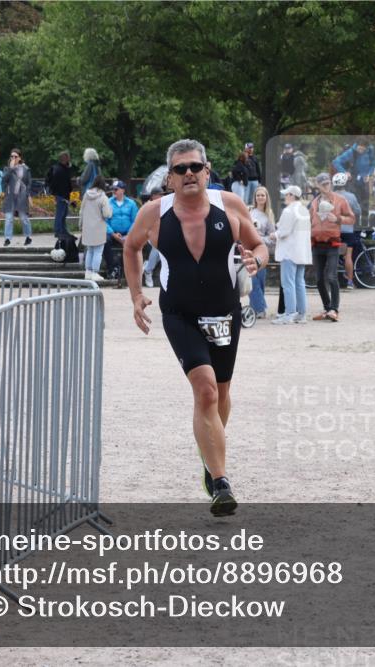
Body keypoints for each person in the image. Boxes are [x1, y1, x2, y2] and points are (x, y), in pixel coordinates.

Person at [123, 139, 268, 516]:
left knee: (220, 393)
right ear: (169, 178)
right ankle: (221, 482)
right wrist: (136, 294)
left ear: (207, 170)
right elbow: (131, 247)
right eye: (179, 169)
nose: (188, 174)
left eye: (194, 167)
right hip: (180, 313)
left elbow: (258, 243)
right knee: (204, 391)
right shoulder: (154, 213)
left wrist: (257, 260)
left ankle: (209, 457)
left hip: (224, 313)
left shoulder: (230, 206)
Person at [308, 172, 354, 322]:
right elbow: (309, 221)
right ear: (318, 186)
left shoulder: (340, 200)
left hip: (332, 243)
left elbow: (352, 218)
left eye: (328, 183)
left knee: (332, 277)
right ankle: (327, 308)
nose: (326, 186)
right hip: (316, 243)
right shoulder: (314, 202)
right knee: (319, 279)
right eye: (323, 184)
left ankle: (334, 309)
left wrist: (338, 219)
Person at [273, 185, 311, 324]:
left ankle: (289, 314)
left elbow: (283, 231)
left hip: (289, 251)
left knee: (288, 283)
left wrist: (273, 235)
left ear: (291, 195)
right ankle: (301, 314)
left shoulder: (289, 210)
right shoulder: (304, 210)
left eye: (286, 194)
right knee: (299, 283)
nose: (284, 197)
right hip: (301, 251)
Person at [332, 172, 364, 287]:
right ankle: (350, 282)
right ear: (345, 183)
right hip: (348, 230)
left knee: (331, 255)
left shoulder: (330, 196)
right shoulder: (351, 196)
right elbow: (358, 211)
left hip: (333, 230)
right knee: (348, 256)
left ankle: (331, 281)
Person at [248, 186, 276, 317]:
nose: (260, 197)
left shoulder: (269, 215)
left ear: (266, 198)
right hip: (248, 249)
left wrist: (261, 239)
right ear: (255, 197)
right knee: (251, 280)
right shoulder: (249, 212)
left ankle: (256, 309)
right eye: (258, 195)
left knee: (260, 281)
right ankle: (260, 308)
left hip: (262, 251)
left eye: (262, 195)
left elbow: (272, 238)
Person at [332, 140, 375, 223]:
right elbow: (336, 162)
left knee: (365, 205)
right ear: (357, 145)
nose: (361, 151)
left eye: (363, 150)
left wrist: (369, 174)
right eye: (360, 149)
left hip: (364, 181)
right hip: (353, 182)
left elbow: (373, 164)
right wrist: (344, 172)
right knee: (355, 206)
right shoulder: (350, 152)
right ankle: (354, 227)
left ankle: (364, 228)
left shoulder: (370, 151)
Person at [79, 176, 112, 281]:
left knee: (90, 250)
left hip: (87, 227)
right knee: (98, 251)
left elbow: (81, 211)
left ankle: (87, 272)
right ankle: (95, 272)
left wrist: (81, 225)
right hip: (98, 227)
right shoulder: (103, 197)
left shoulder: (86, 195)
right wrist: (110, 211)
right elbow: (107, 214)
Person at [104, 180, 138, 286]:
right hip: (112, 233)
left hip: (128, 233)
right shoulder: (108, 202)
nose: (113, 191)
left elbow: (135, 220)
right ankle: (112, 268)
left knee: (137, 241)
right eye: (113, 189)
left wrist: (129, 235)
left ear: (122, 190)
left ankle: (134, 272)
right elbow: (105, 221)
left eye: (116, 189)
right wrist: (113, 234)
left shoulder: (131, 203)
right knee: (105, 241)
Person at [2, 148, 32, 246]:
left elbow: (29, 183)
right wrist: (11, 169)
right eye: (12, 156)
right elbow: (4, 180)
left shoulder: (25, 169)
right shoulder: (7, 169)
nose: (13, 158)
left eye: (15, 156)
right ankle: (7, 239)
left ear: (20, 157)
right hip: (10, 197)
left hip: (22, 197)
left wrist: (27, 194)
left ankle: (28, 237)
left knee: (24, 218)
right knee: (9, 219)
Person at [46, 151, 75, 237]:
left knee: (63, 213)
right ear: (65, 159)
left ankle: (62, 230)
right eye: (68, 158)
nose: (69, 159)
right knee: (61, 213)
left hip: (62, 194)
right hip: (61, 194)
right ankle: (59, 231)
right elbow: (56, 182)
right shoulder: (60, 169)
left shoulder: (59, 168)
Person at [141, 185, 166, 287]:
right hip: (148, 233)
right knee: (157, 248)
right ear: (153, 196)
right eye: (159, 195)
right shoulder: (147, 206)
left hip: (162, 233)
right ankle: (148, 271)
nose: (161, 196)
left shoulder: (164, 205)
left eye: (161, 195)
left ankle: (148, 265)